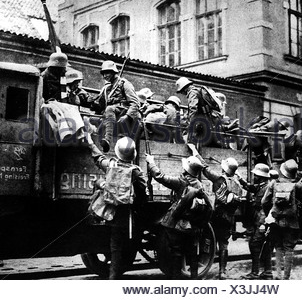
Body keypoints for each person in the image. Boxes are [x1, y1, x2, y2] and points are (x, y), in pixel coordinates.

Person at [87, 135, 147, 279]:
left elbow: (98, 158)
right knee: (117, 246)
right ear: (133, 155)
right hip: (125, 214)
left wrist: (90, 143)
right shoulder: (136, 171)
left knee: (113, 244)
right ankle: (113, 277)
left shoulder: (111, 164)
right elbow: (142, 194)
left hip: (106, 210)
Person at [145, 152, 212, 279]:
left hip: (179, 225)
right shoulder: (200, 185)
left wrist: (151, 162)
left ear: (186, 169)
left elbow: (160, 176)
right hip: (193, 225)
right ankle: (193, 279)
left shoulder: (181, 182)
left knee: (176, 253)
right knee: (192, 253)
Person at [188, 143, 243, 280]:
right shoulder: (237, 184)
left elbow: (204, 167)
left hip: (216, 216)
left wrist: (195, 150)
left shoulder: (219, 179)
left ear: (224, 168)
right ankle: (222, 272)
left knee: (207, 240)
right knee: (224, 244)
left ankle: (201, 264)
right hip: (229, 218)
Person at [266, 159, 302, 280]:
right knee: (289, 249)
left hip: (275, 222)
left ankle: (278, 275)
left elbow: (264, 202)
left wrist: (270, 214)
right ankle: (286, 277)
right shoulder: (298, 186)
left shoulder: (273, 183)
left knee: (278, 247)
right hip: (292, 222)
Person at [90, 60, 141, 152]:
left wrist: (127, 116)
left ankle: (108, 139)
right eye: (103, 73)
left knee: (109, 109)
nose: (105, 76)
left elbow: (135, 103)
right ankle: (102, 145)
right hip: (111, 115)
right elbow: (99, 105)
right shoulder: (107, 88)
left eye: (107, 73)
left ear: (114, 72)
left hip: (123, 112)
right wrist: (91, 103)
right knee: (93, 121)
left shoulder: (124, 84)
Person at [238, 163, 274, 280]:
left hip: (263, 220)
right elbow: (251, 187)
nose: (254, 176)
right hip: (259, 219)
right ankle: (267, 272)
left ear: (262, 176)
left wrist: (264, 224)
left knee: (254, 244)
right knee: (265, 247)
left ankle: (255, 273)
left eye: (256, 175)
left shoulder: (267, 188)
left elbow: (268, 207)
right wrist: (240, 179)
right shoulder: (262, 186)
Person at [176, 77, 224, 148]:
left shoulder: (192, 93)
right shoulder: (198, 90)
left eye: (181, 91)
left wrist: (191, 124)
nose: (182, 94)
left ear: (184, 88)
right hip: (210, 122)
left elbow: (193, 109)